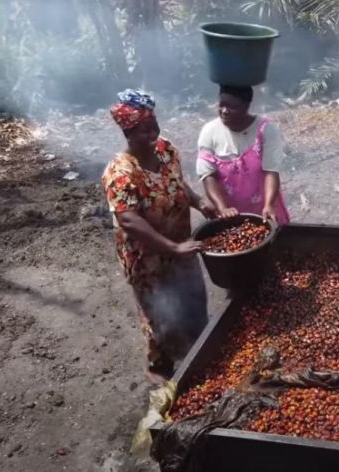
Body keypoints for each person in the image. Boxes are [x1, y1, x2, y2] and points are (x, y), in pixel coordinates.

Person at [102, 89, 215, 383]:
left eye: (154, 126)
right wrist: (172, 248)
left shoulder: (166, 150)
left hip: (182, 245)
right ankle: (161, 370)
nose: (152, 134)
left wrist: (199, 202)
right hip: (148, 260)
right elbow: (129, 220)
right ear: (128, 132)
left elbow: (178, 185)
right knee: (160, 316)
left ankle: (202, 354)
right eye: (143, 130)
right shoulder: (121, 172)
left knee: (192, 303)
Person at [197, 85, 290, 224]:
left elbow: (271, 171)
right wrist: (222, 208)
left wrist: (269, 205)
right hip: (230, 212)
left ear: (246, 106)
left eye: (232, 107)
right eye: (221, 105)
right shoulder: (209, 132)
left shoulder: (266, 130)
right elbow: (208, 175)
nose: (224, 111)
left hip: (264, 208)